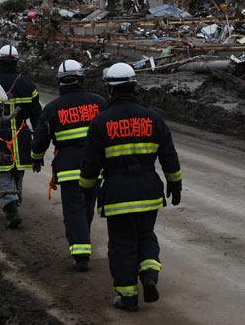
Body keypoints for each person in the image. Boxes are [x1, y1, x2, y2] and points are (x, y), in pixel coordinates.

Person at [79, 62, 182, 312]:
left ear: (110, 90)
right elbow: (169, 155)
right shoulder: (153, 118)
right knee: (146, 235)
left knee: (122, 243)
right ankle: (148, 272)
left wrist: (87, 189)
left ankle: (127, 296)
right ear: (134, 86)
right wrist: (175, 184)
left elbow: (91, 164)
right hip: (149, 191)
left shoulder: (100, 121)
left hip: (117, 194)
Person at [30, 59, 106, 272]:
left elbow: (40, 139)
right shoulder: (98, 102)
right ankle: (83, 243)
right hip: (95, 168)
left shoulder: (53, 108)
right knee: (87, 207)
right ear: (80, 78)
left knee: (74, 211)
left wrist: (36, 158)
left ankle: (80, 254)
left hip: (69, 170)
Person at [0, 45, 42, 229]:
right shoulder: (28, 85)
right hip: (22, 137)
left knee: (4, 174)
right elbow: (37, 116)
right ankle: (14, 203)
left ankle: (11, 207)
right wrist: (40, 141)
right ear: (17, 63)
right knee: (18, 172)